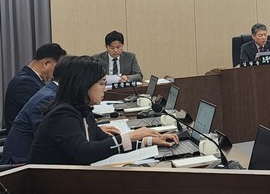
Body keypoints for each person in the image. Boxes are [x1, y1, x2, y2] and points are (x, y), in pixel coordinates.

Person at [29, 55, 178, 166]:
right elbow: (84, 153)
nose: (104, 89)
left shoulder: (82, 109)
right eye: (101, 84)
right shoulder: (62, 115)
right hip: (50, 189)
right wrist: (131, 136)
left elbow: (105, 141)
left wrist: (149, 141)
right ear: (84, 85)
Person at [2, 56, 74, 165]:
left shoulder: (52, 91)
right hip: (21, 161)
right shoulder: (47, 96)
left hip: (33, 156)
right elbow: (47, 137)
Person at [3, 43, 67, 129]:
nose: (57, 73)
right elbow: (44, 112)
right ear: (46, 63)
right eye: (57, 68)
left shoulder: (31, 80)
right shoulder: (24, 83)